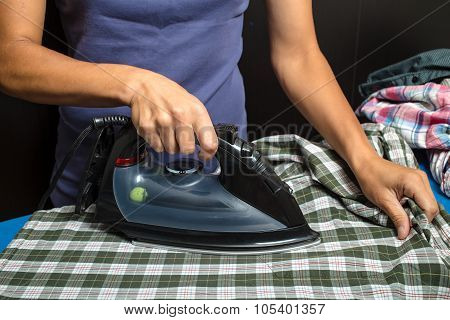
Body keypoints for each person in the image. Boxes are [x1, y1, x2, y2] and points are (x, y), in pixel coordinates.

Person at [0, 0, 439, 239]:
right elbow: (9, 56)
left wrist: (364, 161)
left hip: (219, 172)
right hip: (95, 186)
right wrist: (131, 84)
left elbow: (298, 54)